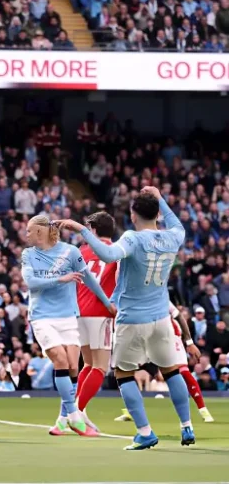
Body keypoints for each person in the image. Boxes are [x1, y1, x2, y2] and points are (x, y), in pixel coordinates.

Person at [60, 186, 195, 450]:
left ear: (133, 216)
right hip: (161, 317)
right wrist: (159, 198)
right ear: (157, 214)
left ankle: (145, 432)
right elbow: (174, 220)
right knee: (171, 371)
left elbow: (107, 254)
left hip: (132, 318)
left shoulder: (133, 238)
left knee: (123, 374)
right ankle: (186, 425)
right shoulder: (174, 236)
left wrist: (81, 229)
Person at [22, 214, 113, 437]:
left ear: (40, 232)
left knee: (74, 366)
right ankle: (75, 418)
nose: (26, 234)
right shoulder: (29, 255)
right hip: (42, 316)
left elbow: (89, 278)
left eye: (29, 230)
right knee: (61, 360)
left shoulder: (71, 252)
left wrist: (106, 301)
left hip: (68, 317)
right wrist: (59, 279)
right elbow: (31, 282)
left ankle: (64, 420)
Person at [116, 302, 213, 423]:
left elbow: (178, 316)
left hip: (170, 336)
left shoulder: (160, 296)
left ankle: (202, 409)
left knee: (183, 372)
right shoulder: (135, 297)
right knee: (126, 370)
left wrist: (189, 342)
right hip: (146, 337)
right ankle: (131, 411)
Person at [74, 212, 118, 431]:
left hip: (79, 312)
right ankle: (75, 413)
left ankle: (74, 411)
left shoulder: (81, 251)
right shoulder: (116, 252)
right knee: (101, 367)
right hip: (101, 313)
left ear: (92, 229)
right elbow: (120, 283)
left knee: (88, 364)